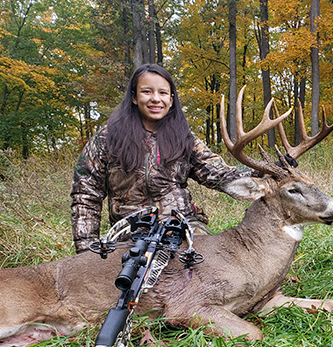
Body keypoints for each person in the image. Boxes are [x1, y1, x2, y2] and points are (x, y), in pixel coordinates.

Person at [71, 64, 257, 253]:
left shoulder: (183, 137)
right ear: (134, 97)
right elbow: (85, 195)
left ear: (171, 99)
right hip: (130, 232)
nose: (155, 99)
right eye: (147, 92)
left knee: (207, 263)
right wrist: (87, 251)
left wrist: (263, 171)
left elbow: (218, 173)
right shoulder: (108, 138)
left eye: (162, 93)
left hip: (183, 226)